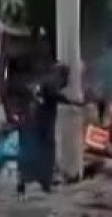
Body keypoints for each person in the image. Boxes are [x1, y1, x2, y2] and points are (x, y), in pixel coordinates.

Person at [18, 62, 82, 196]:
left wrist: (73, 102)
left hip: (32, 123)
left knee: (33, 152)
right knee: (46, 152)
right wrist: (75, 102)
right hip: (42, 123)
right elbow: (55, 95)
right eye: (66, 77)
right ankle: (44, 184)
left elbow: (51, 96)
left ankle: (25, 182)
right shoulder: (52, 83)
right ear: (61, 75)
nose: (67, 81)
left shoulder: (43, 81)